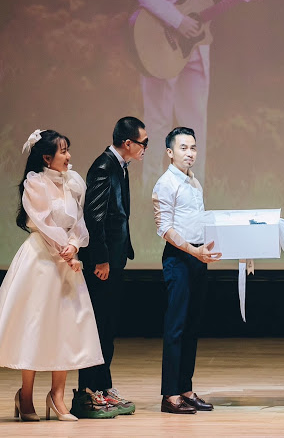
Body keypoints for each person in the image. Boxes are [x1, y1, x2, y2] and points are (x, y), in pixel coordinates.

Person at [0, 130, 103, 422]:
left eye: (68, 149)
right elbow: (43, 222)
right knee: (34, 324)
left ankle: (57, 396)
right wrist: (64, 249)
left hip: (66, 260)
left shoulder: (73, 181)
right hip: (41, 260)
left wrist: (74, 245)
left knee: (66, 326)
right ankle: (25, 395)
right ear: (47, 157)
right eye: (63, 151)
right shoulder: (35, 183)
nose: (68, 156)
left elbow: (79, 221)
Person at [129, 0, 270, 186]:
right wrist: (178, 20)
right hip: (159, 33)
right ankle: (151, 189)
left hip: (196, 40)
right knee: (158, 119)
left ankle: (194, 190)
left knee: (194, 122)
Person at [72, 117, 147, 419]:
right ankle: (89, 391)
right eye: (143, 143)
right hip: (102, 264)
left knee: (108, 326)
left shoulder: (119, 165)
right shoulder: (104, 167)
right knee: (99, 326)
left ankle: (102, 387)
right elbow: (94, 217)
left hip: (114, 260)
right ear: (128, 143)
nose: (145, 148)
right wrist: (100, 258)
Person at [152, 127, 221, 414]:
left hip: (197, 257)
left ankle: (185, 388)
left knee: (192, 325)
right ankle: (170, 395)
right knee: (176, 327)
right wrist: (193, 251)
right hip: (179, 258)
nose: (190, 153)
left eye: (193, 147)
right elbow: (164, 228)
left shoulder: (194, 182)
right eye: (183, 148)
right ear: (170, 152)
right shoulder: (166, 183)